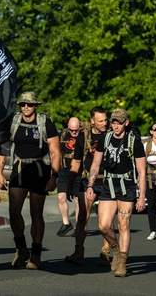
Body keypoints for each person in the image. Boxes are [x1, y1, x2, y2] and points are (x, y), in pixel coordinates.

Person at [0, 91, 61, 270]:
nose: (26, 107)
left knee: (36, 213)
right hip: (19, 169)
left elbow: (55, 151)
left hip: (40, 169)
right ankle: (21, 248)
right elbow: (3, 147)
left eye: (30, 105)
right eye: (23, 104)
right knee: (14, 211)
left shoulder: (44, 122)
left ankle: (36, 254)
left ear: (36, 106)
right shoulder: (14, 121)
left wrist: (54, 176)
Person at [85, 108, 147, 277]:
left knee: (123, 225)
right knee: (103, 226)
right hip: (109, 184)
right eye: (113, 122)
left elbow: (142, 171)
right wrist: (90, 186)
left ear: (126, 123)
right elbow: (95, 165)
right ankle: (116, 250)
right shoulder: (105, 138)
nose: (115, 125)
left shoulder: (134, 141)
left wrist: (141, 196)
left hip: (127, 186)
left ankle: (123, 263)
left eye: (119, 122)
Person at [63, 105, 108, 266]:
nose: (104, 123)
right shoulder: (84, 135)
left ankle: (105, 252)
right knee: (82, 217)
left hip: (107, 180)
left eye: (105, 120)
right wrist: (70, 184)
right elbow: (76, 161)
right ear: (92, 121)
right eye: (100, 121)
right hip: (87, 179)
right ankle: (78, 251)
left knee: (105, 222)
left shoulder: (110, 135)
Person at [56, 117, 81, 236]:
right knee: (61, 197)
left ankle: (78, 226)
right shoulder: (63, 135)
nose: (74, 133)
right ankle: (66, 223)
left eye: (76, 130)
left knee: (78, 200)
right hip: (65, 171)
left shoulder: (84, 136)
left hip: (79, 173)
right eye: (72, 130)